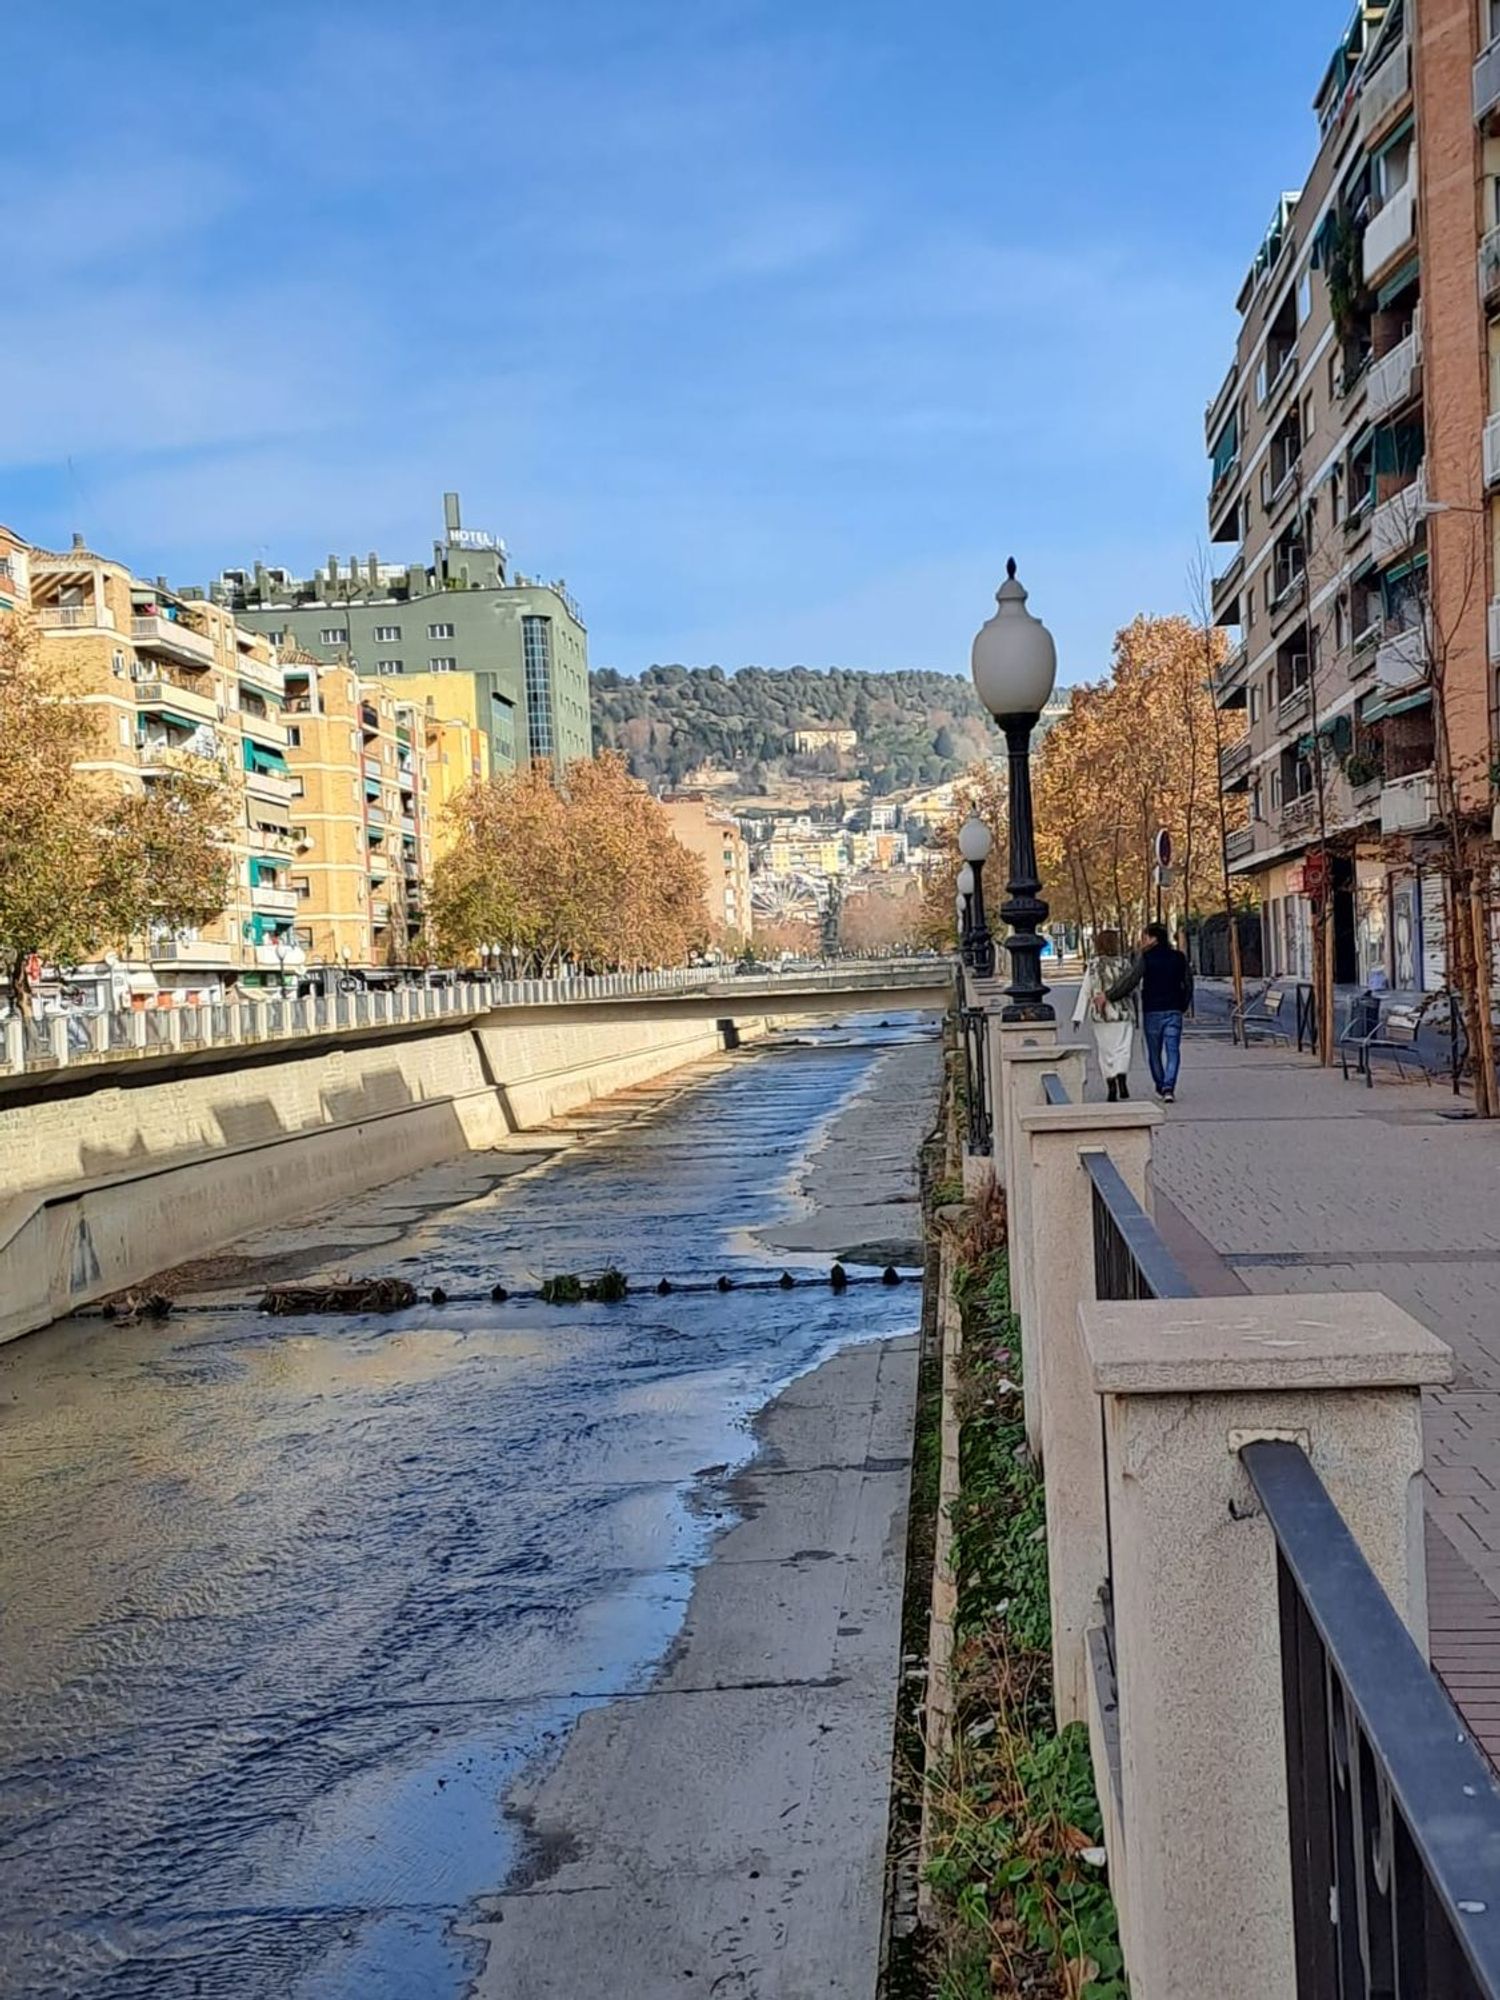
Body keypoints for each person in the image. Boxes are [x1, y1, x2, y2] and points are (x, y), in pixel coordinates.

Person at [1108, 922, 1193, 1103]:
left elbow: (1130, 981)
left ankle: (1161, 1085)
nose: (1142, 940)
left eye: (1145, 937)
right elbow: (1188, 983)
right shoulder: (1178, 957)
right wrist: (1182, 1005)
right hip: (1173, 1009)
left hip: (1152, 1010)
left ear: (1153, 938)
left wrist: (1110, 996)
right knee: (1173, 1050)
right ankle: (1169, 1086)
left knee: (1154, 1052)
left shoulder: (1145, 958)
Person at [1071, 928, 1136, 1101]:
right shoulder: (1124, 964)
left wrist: (1078, 1016)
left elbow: (1085, 991)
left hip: (1101, 1015)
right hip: (1123, 1012)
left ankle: (1111, 1083)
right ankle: (1121, 1075)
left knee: (1106, 1051)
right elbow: (1132, 987)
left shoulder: (1093, 966)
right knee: (1123, 1048)